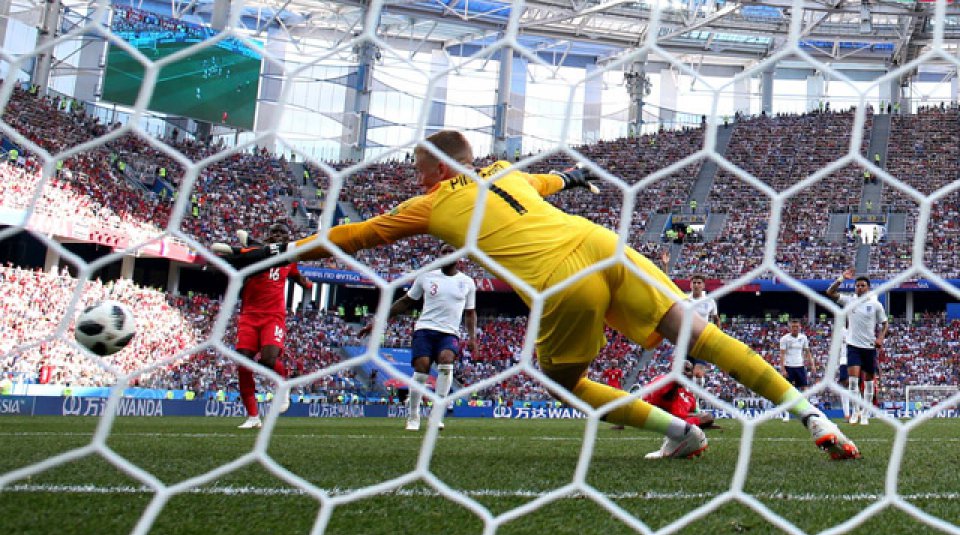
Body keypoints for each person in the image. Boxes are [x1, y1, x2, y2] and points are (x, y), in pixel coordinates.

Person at [219, 130, 860, 459]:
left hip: (560, 278)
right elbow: (548, 182)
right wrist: (574, 178)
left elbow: (355, 234)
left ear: (437, 169)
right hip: (603, 244)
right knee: (701, 336)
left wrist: (284, 251)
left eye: (418, 171)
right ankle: (815, 418)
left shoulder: (431, 204)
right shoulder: (504, 172)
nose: (416, 180)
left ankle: (680, 431)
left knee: (563, 382)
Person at [358, 245, 477, 431]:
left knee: (446, 362)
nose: (446, 257)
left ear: (458, 258)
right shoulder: (426, 277)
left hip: (449, 332)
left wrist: (472, 338)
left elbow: (470, 313)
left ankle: (436, 415)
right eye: (443, 254)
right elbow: (406, 301)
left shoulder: (467, 282)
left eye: (450, 254)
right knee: (422, 368)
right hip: (425, 329)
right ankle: (413, 416)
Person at [216, 223, 314, 429]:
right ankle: (253, 417)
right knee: (243, 364)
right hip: (249, 316)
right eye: (274, 232)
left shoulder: (289, 260)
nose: (277, 235)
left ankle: (284, 384)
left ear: (287, 239)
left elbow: (298, 277)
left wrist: (306, 284)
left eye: (281, 233)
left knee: (268, 360)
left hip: (273, 317)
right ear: (268, 237)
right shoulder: (256, 254)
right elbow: (238, 255)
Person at [826, 268, 888, 426]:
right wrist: (841, 278)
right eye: (857, 285)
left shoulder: (875, 305)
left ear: (868, 288)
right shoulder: (849, 301)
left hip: (869, 347)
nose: (859, 288)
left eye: (862, 286)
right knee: (853, 382)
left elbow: (885, 323)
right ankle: (855, 412)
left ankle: (865, 414)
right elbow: (830, 292)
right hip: (853, 346)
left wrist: (880, 338)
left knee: (869, 383)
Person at [640, 361, 716, 459]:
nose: (684, 372)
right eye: (680, 368)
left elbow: (695, 413)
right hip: (661, 417)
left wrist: (704, 422)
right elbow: (664, 396)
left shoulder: (688, 395)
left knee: (707, 418)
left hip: (680, 420)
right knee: (701, 424)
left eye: (688, 370)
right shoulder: (664, 381)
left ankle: (683, 441)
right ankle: (670, 446)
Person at [779, 319, 816, 422]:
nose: (795, 329)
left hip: (800, 366)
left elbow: (807, 352)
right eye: (793, 327)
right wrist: (783, 369)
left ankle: (806, 411)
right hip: (789, 366)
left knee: (805, 388)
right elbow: (782, 355)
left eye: (797, 327)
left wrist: (812, 365)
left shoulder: (803, 338)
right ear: (790, 328)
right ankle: (786, 414)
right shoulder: (785, 339)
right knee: (788, 390)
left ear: (800, 327)